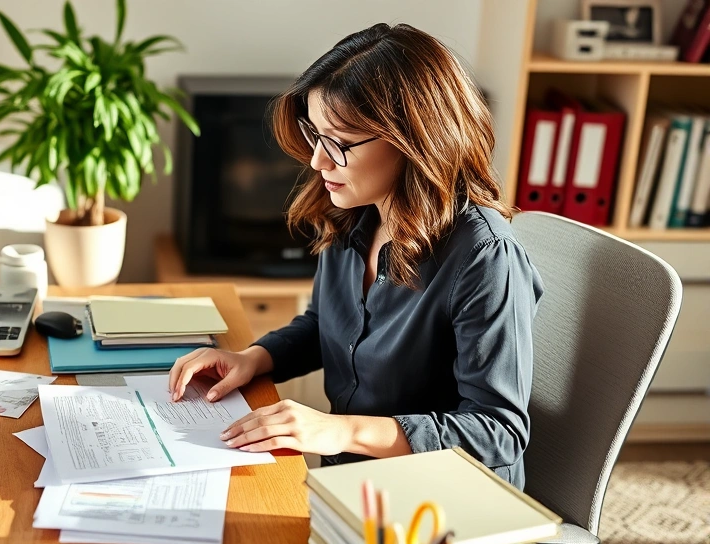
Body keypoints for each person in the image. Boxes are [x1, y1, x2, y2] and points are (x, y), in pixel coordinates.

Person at [168, 23, 543, 488]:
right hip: (353, 478)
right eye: (316, 135)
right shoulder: (351, 214)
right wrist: (254, 358)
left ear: (414, 140)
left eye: (339, 143)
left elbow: (498, 433)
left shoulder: (485, 256)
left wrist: (340, 430)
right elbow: (326, 323)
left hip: (443, 496)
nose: (317, 161)